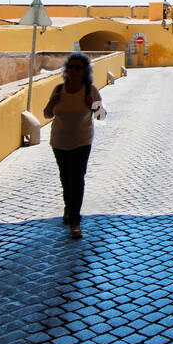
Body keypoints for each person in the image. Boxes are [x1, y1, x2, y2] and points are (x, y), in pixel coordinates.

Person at [43, 52, 104, 239]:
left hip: (81, 141)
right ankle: (68, 207)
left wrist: (92, 104)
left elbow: (101, 117)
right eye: (71, 67)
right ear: (66, 70)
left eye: (78, 68)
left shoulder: (90, 90)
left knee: (77, 179)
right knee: (65, 178)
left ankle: (75, 220)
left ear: (84, 71)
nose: (74, 71)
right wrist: (52, 103)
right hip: (59, 141)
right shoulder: (59, 89)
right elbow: (46, 115)